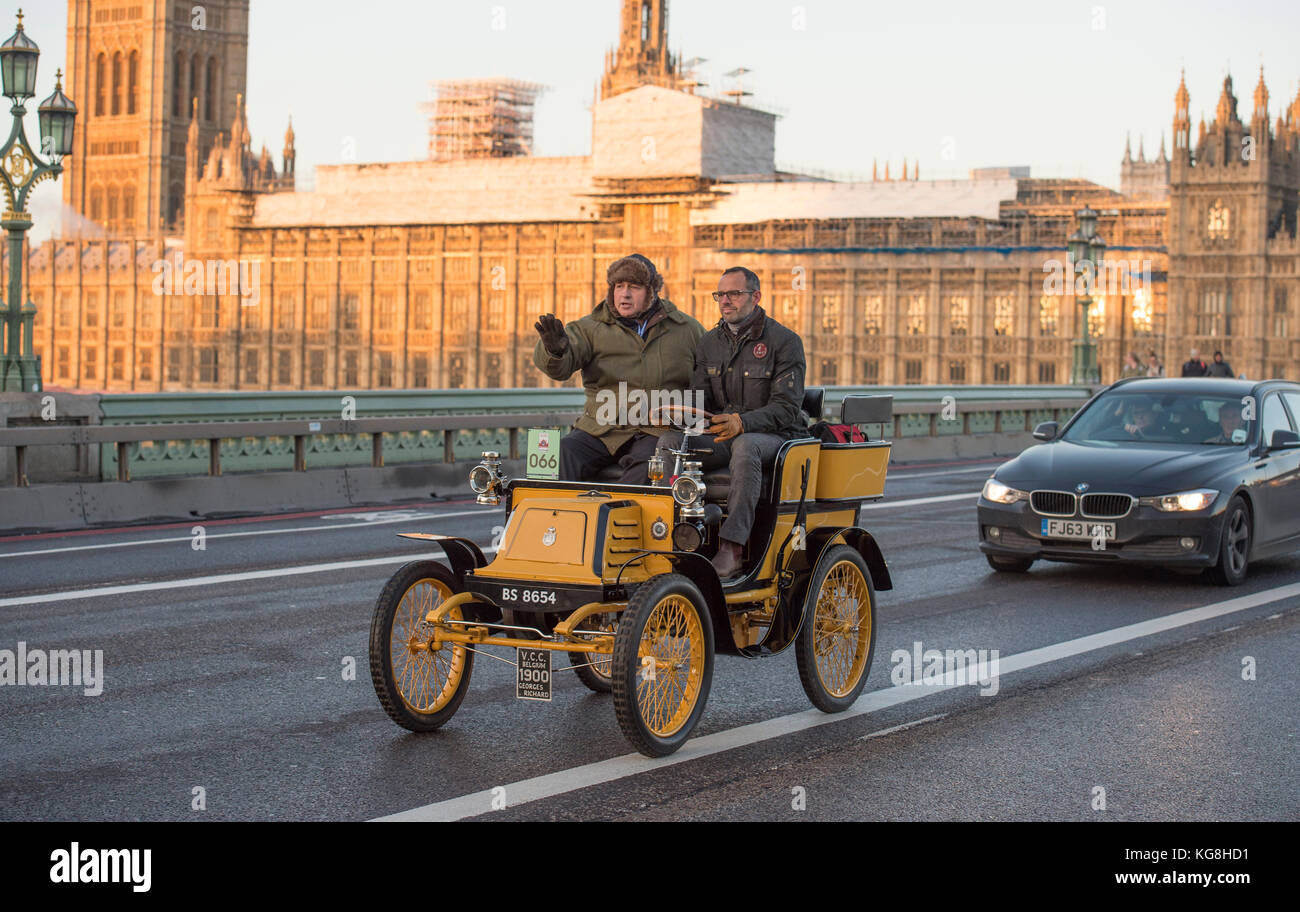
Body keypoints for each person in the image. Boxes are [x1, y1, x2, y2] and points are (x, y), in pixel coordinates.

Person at [662, 266, 807, 579]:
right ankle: (663, 535)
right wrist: (677, 413)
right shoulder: (709, 343)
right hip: (721, 434)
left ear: (755, 297)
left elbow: (787, 408)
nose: (725, 301)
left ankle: (732, 547)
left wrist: (743, 422)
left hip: (774, 436)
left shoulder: (784, 341)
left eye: (733, 294)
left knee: (745, 446)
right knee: (670, 443)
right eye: (720, 295)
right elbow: (700, 402)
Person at [533, 254, 704, 482]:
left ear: (652, 292)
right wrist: (554, 352)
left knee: (650, 468)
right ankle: (552, 516)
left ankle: (612, 516)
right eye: (619, 286)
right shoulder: (589, 328)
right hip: (601, 429)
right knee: (558, 454)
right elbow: (560, 370)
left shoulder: (686, 329)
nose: (624, 293)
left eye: (634, 287)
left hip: (657, 431)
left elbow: (709, 377)